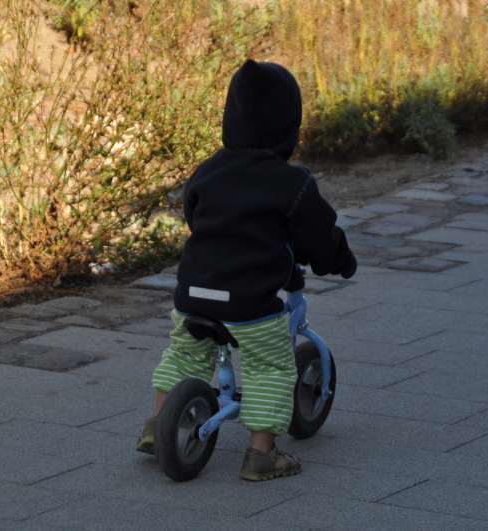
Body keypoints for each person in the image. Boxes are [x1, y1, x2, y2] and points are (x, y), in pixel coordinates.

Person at [136, 59, 357, 481]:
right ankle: (262, 454)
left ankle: (156, 427)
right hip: (250, 304)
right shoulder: (293, 184)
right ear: (289, 127)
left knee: (183, 355)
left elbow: (193, 215)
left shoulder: (208, 171)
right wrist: (339, 259)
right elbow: (318, 236)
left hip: (194, 294)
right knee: (270, 365)